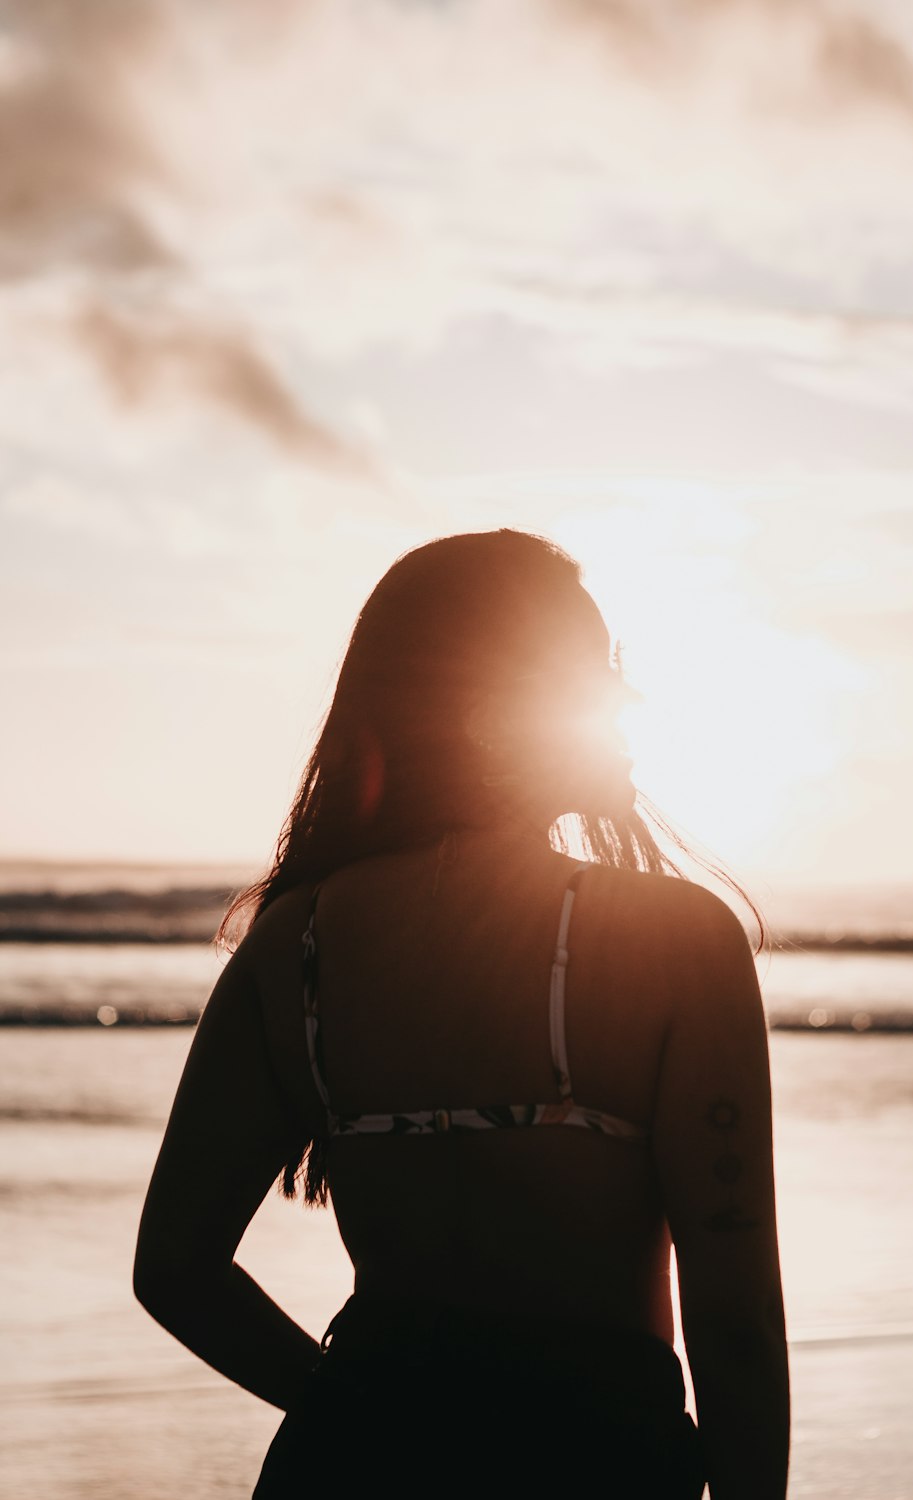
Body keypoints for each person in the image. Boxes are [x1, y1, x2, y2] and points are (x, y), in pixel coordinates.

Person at [134, 529, 789, 1497]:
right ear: (487, 714)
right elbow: (731, 1324)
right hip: (600, 1462)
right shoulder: (678, 946)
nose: (624, 700)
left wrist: (346, 1407)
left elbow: (174, 1268)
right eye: (590, 674)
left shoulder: (292, 949)